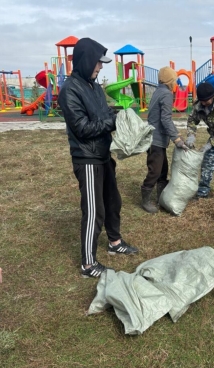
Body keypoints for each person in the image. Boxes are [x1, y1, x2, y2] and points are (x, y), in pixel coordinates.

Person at [58, 38, 139, 278]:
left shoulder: (94, 86)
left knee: (113, 202)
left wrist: (120, 115)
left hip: (103, 154)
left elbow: (103, 115)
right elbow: (82, 128)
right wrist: (111, 121)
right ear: (85, 61)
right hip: (87, 158)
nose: (100, 67)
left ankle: (115, 242)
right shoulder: (69, 90)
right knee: (94, 211)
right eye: (97, 63)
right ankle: (88, 264)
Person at [142, 67, 189, 214]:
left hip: (154, 138)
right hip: (156, 140)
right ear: (170, 81)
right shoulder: (167, 94)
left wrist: (176, 134)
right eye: (174, 80)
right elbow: (165, 119)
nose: (175, 83)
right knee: (155, 171)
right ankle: (145, 201)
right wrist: (176, 139)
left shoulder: (158, 91)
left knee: (163, 170)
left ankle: (161, 197)